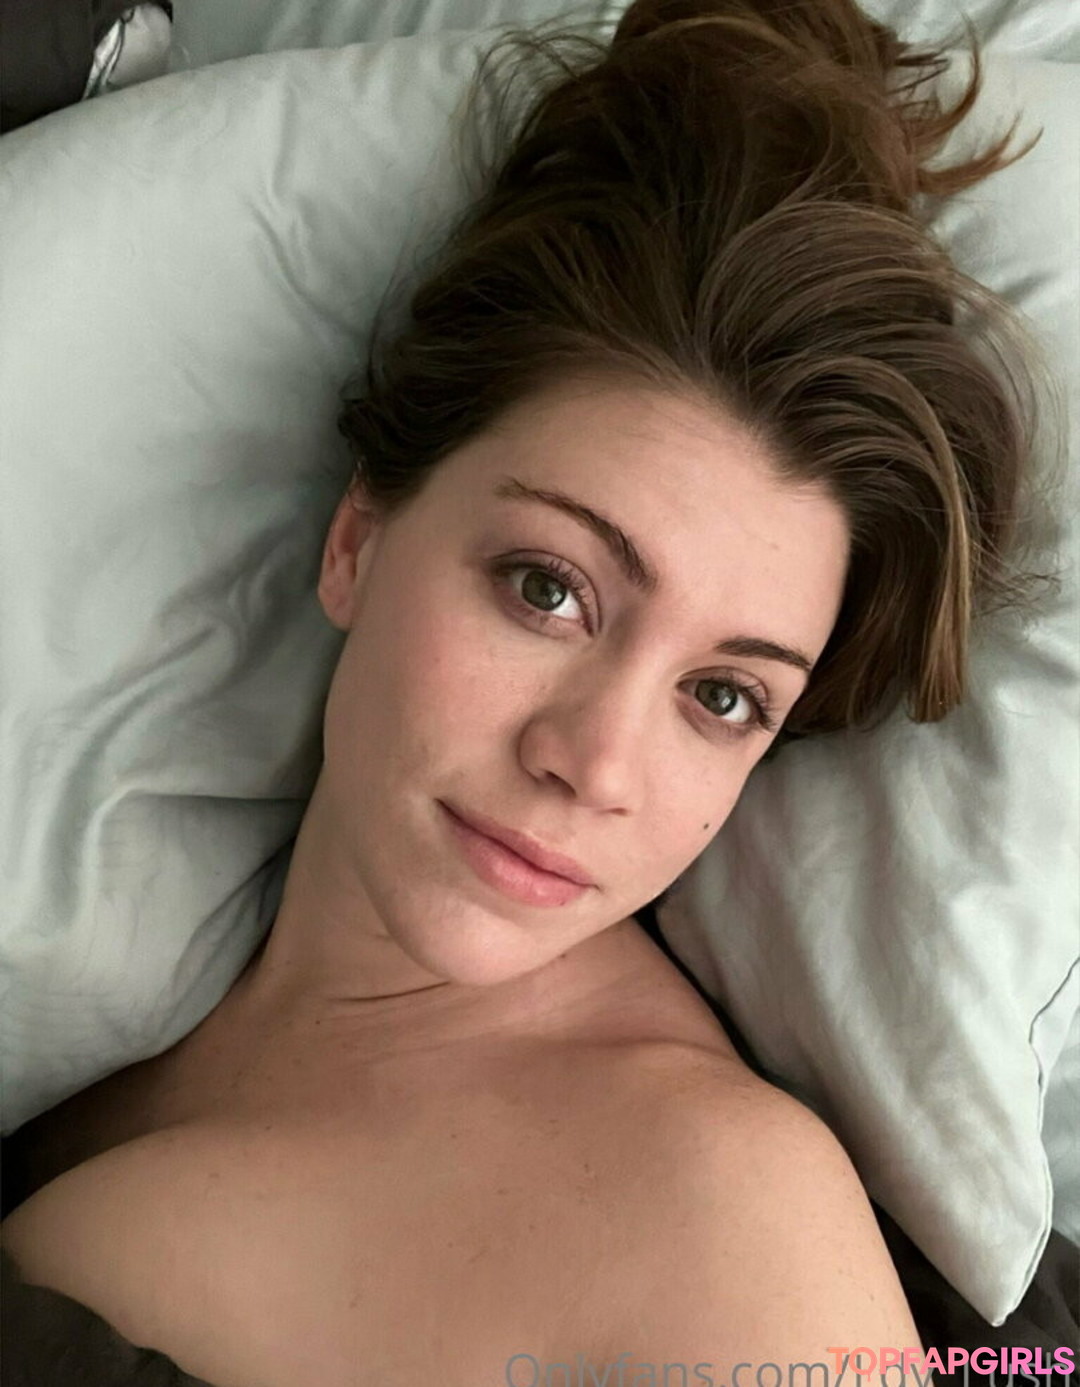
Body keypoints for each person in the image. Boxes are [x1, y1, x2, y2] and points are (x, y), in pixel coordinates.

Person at [1, 1, 1052, 1384]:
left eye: (723, 697)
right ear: (358, 539)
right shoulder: (103, 1012)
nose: (593, 762)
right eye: (548, 589)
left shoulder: (721, 1217)